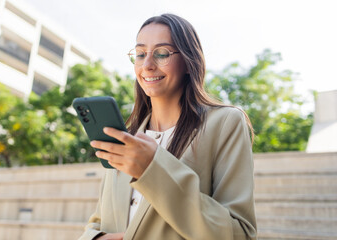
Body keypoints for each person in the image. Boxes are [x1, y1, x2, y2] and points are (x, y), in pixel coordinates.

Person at [78, 13, 257, 240]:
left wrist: (153, 169)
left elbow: (240, 234)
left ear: (189, 63)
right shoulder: (126, 138)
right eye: (141, 54)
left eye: (162, 53)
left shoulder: (225, 123)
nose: (148, 65)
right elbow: (97, 221)